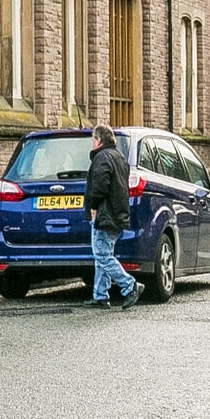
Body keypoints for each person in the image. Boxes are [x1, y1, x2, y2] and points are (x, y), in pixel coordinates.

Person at [84, 124, 141, 309]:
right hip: (118, 213)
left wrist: (93, 206)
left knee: (101, 254)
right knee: (104, 254)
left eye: (93, 139)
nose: (92, 142)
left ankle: (130, 285)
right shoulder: (119, 157)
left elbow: (100, 187)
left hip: (105, 214)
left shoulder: (102, 158)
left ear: (99, 140)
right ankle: (100, 295)